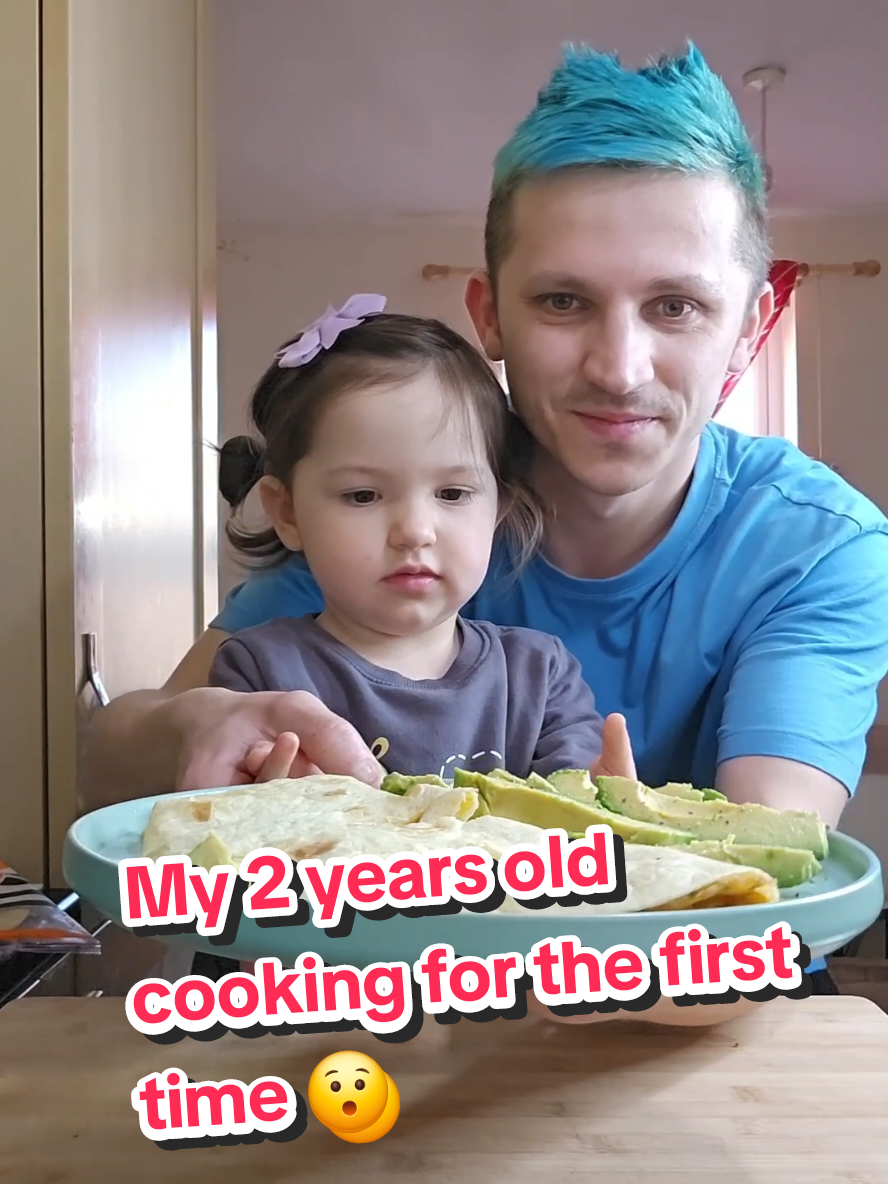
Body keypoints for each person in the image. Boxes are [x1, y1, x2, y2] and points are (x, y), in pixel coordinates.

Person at [85, 42, 888, 1018]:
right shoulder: (397, 494)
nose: (619, 367)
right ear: (490, 312)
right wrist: (197, 725)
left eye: (676, 304)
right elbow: (119, 757)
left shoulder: (816, 544)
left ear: (753, 329)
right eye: (562, 300)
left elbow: (770, 865)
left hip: (660, 1012)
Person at [206, 296, 616, 783]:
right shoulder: (259, 674)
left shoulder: (539, 676)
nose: (415, 532)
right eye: (363, 495)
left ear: (497, 510)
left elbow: (574, 826)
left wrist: (606, 804)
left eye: (452, 493)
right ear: (288, 513)